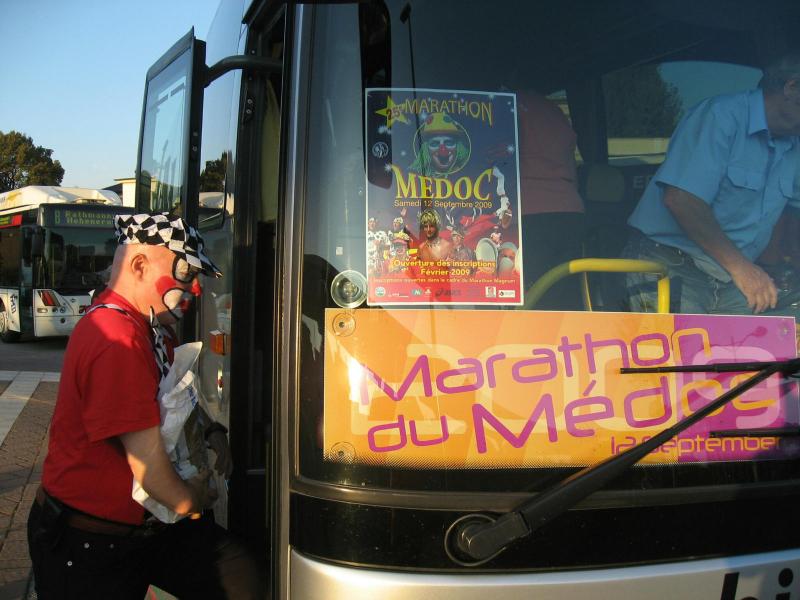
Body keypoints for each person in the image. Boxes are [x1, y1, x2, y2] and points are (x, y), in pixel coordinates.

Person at [27, 213, 263, 599]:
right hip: (89, 544)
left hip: (143, 529)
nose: (195, 289)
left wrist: (210, 429)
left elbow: (171, 396)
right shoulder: (116, 339)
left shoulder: (151, 329)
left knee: (238, 575)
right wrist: (192, 498)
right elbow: (150, 471)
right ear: (139, 265)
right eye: (186, 274)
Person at [623, 53, 800, 315]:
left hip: (735, 277)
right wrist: (742, 268)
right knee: (682, 343)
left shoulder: (794, 141)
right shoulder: (720, 116)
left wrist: (773, 266)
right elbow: (681, 199)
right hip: (671, 266)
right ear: (792, 87)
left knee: (775, 332)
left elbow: (791, 215)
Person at [515, 90, 586, 310]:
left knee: (530, 301)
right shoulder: (553, 110)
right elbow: (570, 165)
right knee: (562, 300)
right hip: (569, 211)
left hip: (524, 214)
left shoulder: (499, 106)